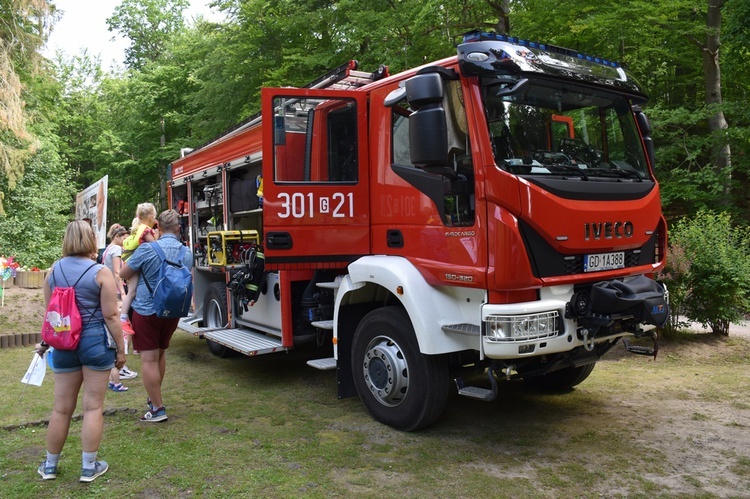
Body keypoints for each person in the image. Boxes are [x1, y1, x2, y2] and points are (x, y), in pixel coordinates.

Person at [36, 220, 126, 483]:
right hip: (95, 342)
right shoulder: (101, 272)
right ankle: (89, 466)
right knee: (93, 407)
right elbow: (111, 315)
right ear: (90, 241)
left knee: (61, 409)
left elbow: (50, 313)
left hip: (64, 343)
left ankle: (50, 466)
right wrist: (121, 351)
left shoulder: (52, 272)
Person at [120, 209, 192, 422]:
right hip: (172, 311)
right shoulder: (186, 252)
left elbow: (123, 273)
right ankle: (154, 399)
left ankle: (158, 409)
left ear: (157, 227)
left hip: (146, 309)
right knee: (160, 355)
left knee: (149, 359)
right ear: (179, 228)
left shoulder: (147, 249)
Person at [102, 223, 138, 389]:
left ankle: (117, 368)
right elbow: (117, 273)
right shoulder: (116, 250)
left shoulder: (107, 249)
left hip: (108, 292)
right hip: (116, 293)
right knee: (124, 329)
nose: (125, 241)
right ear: (117, 237)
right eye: (124, 238)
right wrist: (124, 294)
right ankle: (119, 368)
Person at [119, 203, 157, 337]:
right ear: (151, 216)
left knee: (132, 292)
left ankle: (125, 318)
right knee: (132, 292)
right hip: (133, 265)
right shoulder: (146, 230)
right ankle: (123, 319)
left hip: (129, 262)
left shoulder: (137, 228)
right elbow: (155, 248)